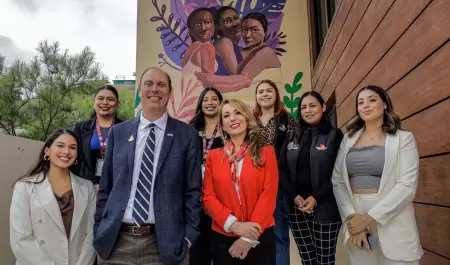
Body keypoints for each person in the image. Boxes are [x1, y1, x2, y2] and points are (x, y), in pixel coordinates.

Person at [93, 67, 203, 265]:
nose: (155, 89)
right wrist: (99, 227)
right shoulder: (118, 133)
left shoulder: (187, 136)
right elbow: (106, 187)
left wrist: (187, 238)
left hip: (166, 246)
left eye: (161, 85)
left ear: (169, 92)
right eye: (149, 84)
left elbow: (193, 192)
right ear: (140, 91)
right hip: (115, 243)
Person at [332, 85, 423, 265]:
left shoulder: (404, 139)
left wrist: (369, 218)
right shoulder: (348, 140)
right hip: (357, 225)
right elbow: (338, 181)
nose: (365, 105)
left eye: (372, 100)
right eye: (360, 102)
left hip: (394, 220)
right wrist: (352, 219)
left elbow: (407, 185)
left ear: (385, 104)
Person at [203, 98, 278, 265]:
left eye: (237, 112)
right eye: (227, 115)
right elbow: (208, 197)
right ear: (222, 125)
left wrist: (247, 237)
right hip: (223, 237)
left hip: (260, 236)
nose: (233, 118)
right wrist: (234, 225)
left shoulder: (266, 152)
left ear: (246, 117)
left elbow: (269, 195)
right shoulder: (213, 157)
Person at [10, 129, 96, 265]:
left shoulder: (87, 187)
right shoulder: (25, 187)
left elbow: (91, 234)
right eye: (60, 145)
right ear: (47, 151)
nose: (66, 152)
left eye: (72, 147)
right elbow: (21, 238)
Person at [278, 91, 343, 265]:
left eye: (312, 105)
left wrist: (316, 197)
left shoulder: (334, 136)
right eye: (304, 107)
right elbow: (280, 168)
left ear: (323, 107)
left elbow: (339, 173)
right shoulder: (292, 135)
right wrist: (293, 196)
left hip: (326, 206)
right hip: (296, 207)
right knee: (307, 259)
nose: (308, 110)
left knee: (325, 261)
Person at [253, 79, 296, 265]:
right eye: (260, 91)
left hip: (277, 182)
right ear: (256, 96)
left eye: (269, 90)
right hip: (252, 182)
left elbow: (293, 150)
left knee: (279, 234)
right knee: (254, 235)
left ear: (276, 94)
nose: (265, 94)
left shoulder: (287, 119)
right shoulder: (249, 119)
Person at [195, 12, 282, 104]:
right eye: (244, 30)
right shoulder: (243, 51)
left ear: (264, 32)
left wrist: (210, 79)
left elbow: (243, 78)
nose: (248, 35)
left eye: (254, 30)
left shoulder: (266, 52)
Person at [188, 87, 224, 265]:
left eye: (214, 99)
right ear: (201, 104)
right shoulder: (191, 130)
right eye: (206, 100)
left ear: (221, 103)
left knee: (220, 245)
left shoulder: (228, 129)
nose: (210, 103)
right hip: (196, 194)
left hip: (222, 196)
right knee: (198, 247)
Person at [72, 85, 123, 196]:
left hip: (117, 188)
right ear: (94, 101)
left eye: (110, 99)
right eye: (100, 98)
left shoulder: (126, 128)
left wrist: (107, 184)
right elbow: (77, 158)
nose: (105, 102)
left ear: (117, 104)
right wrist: (93, 183)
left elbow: (127, 161)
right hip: (86, 187)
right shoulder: (81, 128)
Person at [214, 6, 243, 76]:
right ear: (218, 27)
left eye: (236, 18)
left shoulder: (238, 48)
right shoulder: (224, 42)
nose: (234, 24)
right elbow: (236, 75)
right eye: (227, 21)